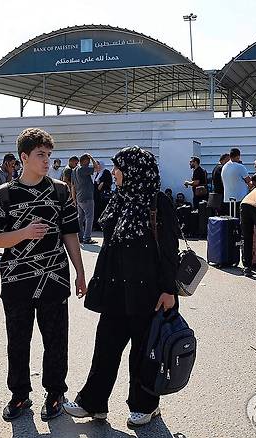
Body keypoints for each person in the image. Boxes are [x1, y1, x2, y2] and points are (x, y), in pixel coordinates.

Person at [63, 145, 179, 427]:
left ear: (134, 171)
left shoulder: (157, 203)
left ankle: (146, 405)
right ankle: (93, 403)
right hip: (116, 289)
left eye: (118, 168)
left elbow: (169, 249)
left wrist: (169, 290)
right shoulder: (120, 199)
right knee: (105, 348)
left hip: (148, 291)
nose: (114, 173)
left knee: (143, 351)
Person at [0, 128, 86, 422]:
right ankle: (20, 395)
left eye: (49, 155)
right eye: (40, 155)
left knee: (56, 340)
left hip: (55, 279)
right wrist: (24, 233)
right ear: (24, 157)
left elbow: (70, 234)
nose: (46, 161)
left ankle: (55, 392)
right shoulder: (4, 194)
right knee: (17, 340)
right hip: (16, 281)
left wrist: (80, 273)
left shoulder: (59, 191)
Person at [72, 153, 99, 244]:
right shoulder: (83, 169)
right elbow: (97, 168)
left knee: (80, 218)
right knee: (89, 218)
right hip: (87, 197)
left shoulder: (74, 170)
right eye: (88, 162)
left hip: (79, 197)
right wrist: (91, 157)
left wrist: (74, 198)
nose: (89, 164)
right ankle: (87, 238)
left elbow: (72, 185)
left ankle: (80, 237)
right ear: (85, 161)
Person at [221, 148, 251, 216]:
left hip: (227, 198)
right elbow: (248, 180)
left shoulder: (224, 167)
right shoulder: (240, 167)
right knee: (239, 219)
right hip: (239, 198)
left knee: (230, 220)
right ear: (238, 156)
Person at [93, 160, 113, 229]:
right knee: (96, 210)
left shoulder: (106, 172)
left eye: (98, 165)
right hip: (97, 196)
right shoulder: (97, 173)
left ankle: (102, 226)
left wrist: (102, 183)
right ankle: (96, 226)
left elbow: (109, 182)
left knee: (102, 210)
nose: (97, 166)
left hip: (103, 196)